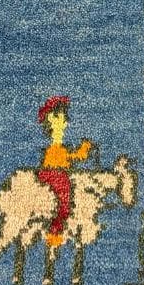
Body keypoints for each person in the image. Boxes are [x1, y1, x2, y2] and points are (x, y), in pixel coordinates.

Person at [36, 96, 93, 248]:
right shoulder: (55, 149)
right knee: (64, 202)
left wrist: (83, 149)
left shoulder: (59, 147)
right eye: (61, 118)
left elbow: (73, 156)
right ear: (51, 120)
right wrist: (83, 149)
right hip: (54, 175)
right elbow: (71, 156)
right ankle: (54, 234)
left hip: (54, 173)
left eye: (64, 118)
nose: (65, 123)